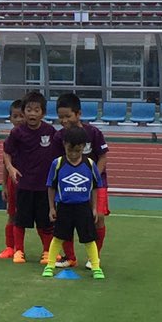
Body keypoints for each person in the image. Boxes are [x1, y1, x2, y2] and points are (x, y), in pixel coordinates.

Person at [49, 92, 108, 268]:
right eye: (60, 117)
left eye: (68, 116)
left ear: (78, 114)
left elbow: (103, 157)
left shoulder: (93, 132)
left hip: (96, 186)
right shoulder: (59, 137)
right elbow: (57, 164)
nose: (64, 120)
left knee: (98, 218)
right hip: (68, 188)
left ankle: (93, 259)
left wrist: (91, 178)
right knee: (65, 222)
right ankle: (70, 257)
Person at [41, 127, 105, 279]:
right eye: (70, 150)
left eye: (78, 150)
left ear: (84, 147)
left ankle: (96, 267)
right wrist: (51, 207)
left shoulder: (90, 164)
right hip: (64, 207)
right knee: (58, 237)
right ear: (64, 145)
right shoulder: (57, 163)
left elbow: (95, 187)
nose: (74, 154)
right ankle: (50, 265)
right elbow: (51, 186)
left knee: (89, 238)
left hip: (83, 207)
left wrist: (94, 208)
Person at [1, 92, 56, 265]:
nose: (32, 113)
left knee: (45, 222)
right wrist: (10, 168)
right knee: (20, 219)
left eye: (36, 110)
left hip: (43, 186)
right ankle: (19, 251)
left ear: (43, 113)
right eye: (29, 110)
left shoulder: (50, 131)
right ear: (24, 112)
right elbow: (7, 152)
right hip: (23, 184)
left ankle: (48, 251)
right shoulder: (17, 133)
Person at [0, 97, 29, 262]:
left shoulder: (34, 137)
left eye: (22, 115)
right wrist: (4, 185)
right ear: (11, 119)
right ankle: (10, 247)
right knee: (12, 215)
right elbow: (5, 164)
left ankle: (47, 250)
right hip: (14, 183)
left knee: (41, 218)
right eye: (15, 116)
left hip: (33, 183)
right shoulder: (10, 140)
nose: (19, 119)